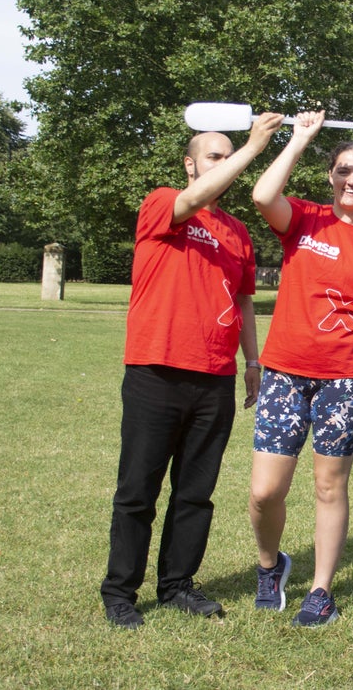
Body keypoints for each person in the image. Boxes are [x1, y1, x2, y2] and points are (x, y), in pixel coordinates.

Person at [100, 113, 285, 629]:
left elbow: (245, 300)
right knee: (138, 490)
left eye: (228, 157)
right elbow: (193, 199)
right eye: (214, 157)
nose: (223, 165)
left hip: (214, 378)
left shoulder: (238, 233)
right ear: (190, 164)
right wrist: (252, 148)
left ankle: (177, 584)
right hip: (155, 371)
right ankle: (120, 592)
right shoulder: (163, 203)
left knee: (194, 493)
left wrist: (252, 361)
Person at [248, 111, 353, 627]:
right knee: (265, 491)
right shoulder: (305, 219)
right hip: (286, 371)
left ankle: (320, 592)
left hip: (348, 376)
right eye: (343, 170)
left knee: (329, 486)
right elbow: (262, 196)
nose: (351, 180)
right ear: (331, 177)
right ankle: (271, 566)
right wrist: (298, 140)